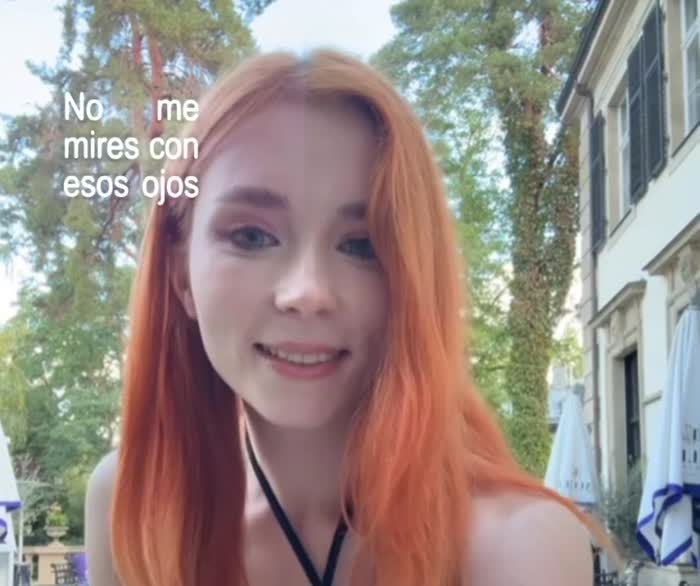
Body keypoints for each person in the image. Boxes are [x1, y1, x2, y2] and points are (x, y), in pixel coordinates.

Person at [85, 48, 621, 586]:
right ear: (180, 274)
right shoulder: (130, 507)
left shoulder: (517, 548)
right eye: (251, 236)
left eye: (363, 245)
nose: (307, 293)